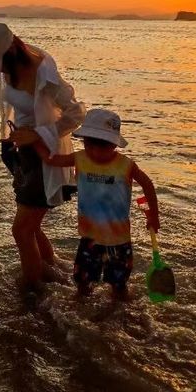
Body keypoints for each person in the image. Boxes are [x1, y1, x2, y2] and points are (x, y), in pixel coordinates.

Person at [0, 22, 85, 289]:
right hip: (21, 154)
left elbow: (77, 114)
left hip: (42, 157)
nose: (0, 72)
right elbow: (15, 97)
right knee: (30, 227)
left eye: (0, 64)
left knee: (21, 230)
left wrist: (39, 134)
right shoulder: (12, 69)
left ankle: (31, 293)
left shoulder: (45, 75)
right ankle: (51, 270)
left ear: (10, 54)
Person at [33, 108, 160, 299]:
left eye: (103, 146)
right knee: (82, 283)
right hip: (89, 239)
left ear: (114, 144)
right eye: (90, 144)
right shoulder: (80, 158)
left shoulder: (126, 165)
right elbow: (52, 160)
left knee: (119, 287)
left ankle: (120, 317)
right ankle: (81, 315)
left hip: (119, 242)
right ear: (84, 141)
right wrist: (35, 141)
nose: (95, 151)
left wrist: (154, 215)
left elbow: (147, 184)